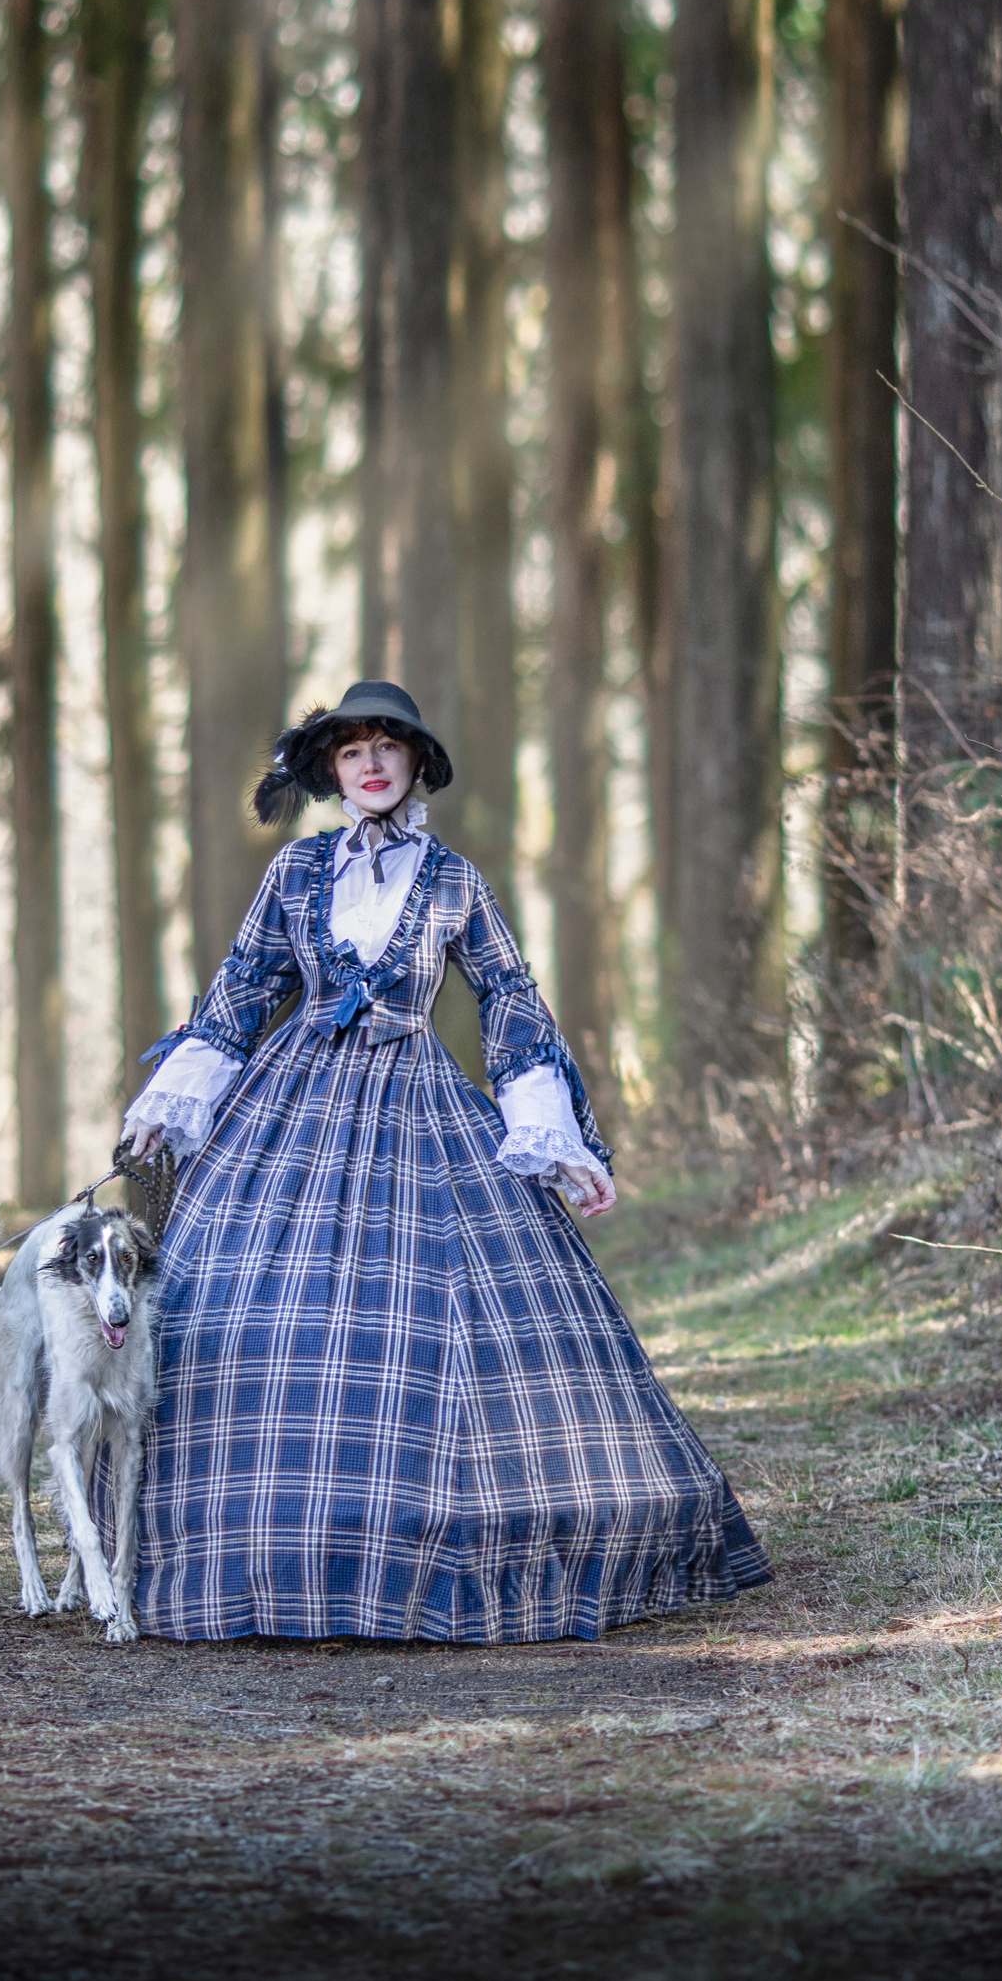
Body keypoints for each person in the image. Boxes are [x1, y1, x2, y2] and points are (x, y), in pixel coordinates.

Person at [119, 680, 770, 1643]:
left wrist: (549, 1130)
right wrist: (174, 1104)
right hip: (288, 1111)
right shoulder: (295, 876)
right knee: (252, 1312)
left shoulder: (456, 881)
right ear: (333, 770)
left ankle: (441, 1544)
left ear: (417, 764)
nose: (372, 763)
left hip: (421, 1102)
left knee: (437, 1316)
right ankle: (253, 1551)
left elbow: (510, 1003)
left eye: (389, 746)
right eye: (352, 751)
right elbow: (241, 992)